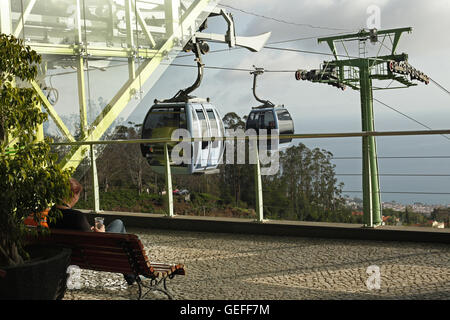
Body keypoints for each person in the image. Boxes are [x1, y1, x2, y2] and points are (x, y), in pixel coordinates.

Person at [49, 178, 135, 285]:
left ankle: (130, 274)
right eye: (78, 195)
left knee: (117, 225)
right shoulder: (77, 216)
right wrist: (102, 233)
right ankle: (131, 275)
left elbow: (83, 234)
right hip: (93, 255)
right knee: (118, 223)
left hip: (72, 254)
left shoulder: (51, 214)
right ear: (74, 194)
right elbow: (94, 241)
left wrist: (91, 231)